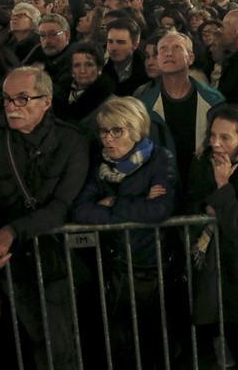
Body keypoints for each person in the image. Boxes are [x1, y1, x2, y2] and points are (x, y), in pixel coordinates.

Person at [0, 66, 89, 369]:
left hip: (57, 261)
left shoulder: (73, 141)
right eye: (7, 99)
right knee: (34, 339)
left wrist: (9, 232)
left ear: (46, 101)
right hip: (11, 264)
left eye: (22, 99)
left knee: (61, 345)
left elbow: (61, 207)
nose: (11, 107)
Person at [72, 97, 177, 370]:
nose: (107, 138)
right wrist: (138, 203)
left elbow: (160, 210)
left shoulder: (159, 159)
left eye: (116, 131)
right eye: (104, 131)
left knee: (151, 343)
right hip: (114, 265)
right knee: (119, 344)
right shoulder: (102, 166)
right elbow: (81, 210)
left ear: (135, 129)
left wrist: (113, 203)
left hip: (149, 266)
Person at [185, 105, 238, 369]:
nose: (216, 143)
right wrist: (211, 206)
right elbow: (191, 201)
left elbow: (237, 221)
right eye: (213, 135)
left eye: (225, 137)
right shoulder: (202, 161)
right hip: (211, 263)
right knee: (212, 335)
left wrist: (223, 186)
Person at [138, 32, 225, 201]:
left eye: (176, 48)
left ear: (190, 58)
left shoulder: (214, 103)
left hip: (203, 190)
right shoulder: (143, 106)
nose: (168, 53)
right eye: (162, 49)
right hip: (162, 192)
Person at [53, 42, 116, 125]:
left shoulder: (110, 103)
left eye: (89, 65)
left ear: (99, 68)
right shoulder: (58, 93)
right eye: (77, 65)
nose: (82, 71)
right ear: (71, 70)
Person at [102, 18, 148, 97]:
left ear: (135, 45)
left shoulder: (146, 70)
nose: (113, 48)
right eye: (110, 41)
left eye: (120, 42)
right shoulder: (98, 65)